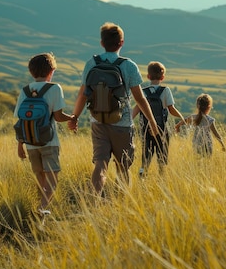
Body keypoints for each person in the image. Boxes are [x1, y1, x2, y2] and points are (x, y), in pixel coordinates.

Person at [68, 22, 159, 196]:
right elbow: (140, 98)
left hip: (98, 121)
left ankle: (94, 201)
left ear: (102, 43)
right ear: (122, 42)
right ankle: (124, 204)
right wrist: (153, 124)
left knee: (100, 164)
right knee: (123, 167)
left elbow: (82, 94)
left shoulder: (91, 63)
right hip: (122, 123)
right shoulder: (128, 65)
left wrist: (74, 117)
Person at [14, 52, 75, 216]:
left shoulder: (25, 90)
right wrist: (73, 118)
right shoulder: (54, 88)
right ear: (51, 71)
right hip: (49, 142)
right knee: (52, 178)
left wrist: (20, 145)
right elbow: (58, 116)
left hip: (30, 143)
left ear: (31, 72)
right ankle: (42, 209)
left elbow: (20, 121)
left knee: (40, 177)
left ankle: (41, 207)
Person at [132, 61, 186, 176]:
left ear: (148, 76)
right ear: (162, 77)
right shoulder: (165, 90)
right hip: (162, 129)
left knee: (146, 155)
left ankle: (142, 174)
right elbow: (171, 109)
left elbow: (136, 110)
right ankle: (162, 177)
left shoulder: (143, 92)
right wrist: (182, 117)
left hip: (146, 129)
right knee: (162, 156)